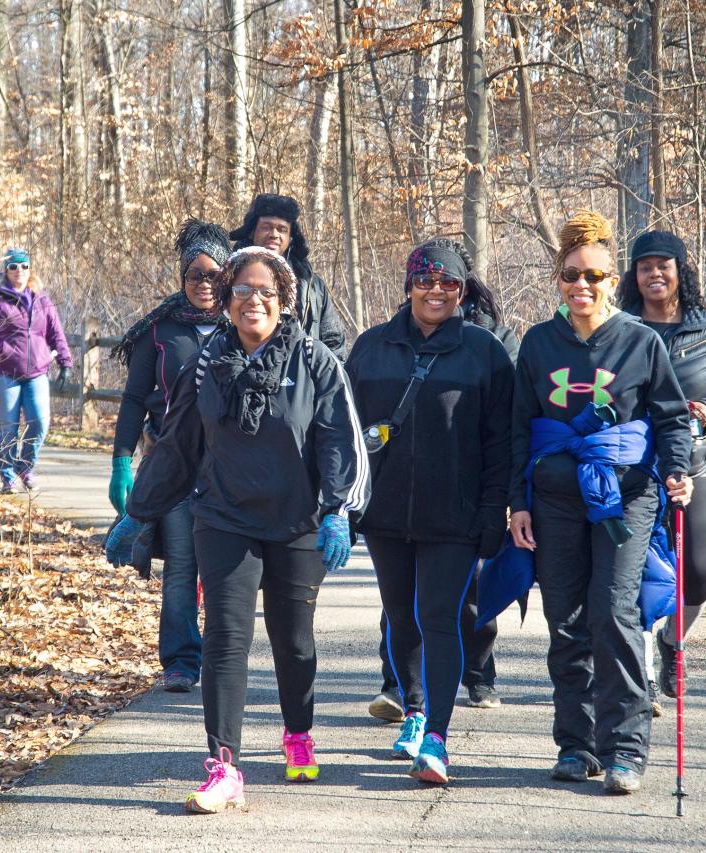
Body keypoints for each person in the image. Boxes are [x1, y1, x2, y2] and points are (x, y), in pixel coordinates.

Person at [105, 246, 368, 813]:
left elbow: (340, 440)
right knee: (225, 638)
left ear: (284, 301)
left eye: (266, 292)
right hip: (223, 518)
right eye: (242, 291)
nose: (254, 301)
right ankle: (225, 767)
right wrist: (141, 510)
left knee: (293, 642)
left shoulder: (317, 362)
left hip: (297, 522)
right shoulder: (208, 363)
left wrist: (339, 509)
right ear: (226, 300)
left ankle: (297, 733)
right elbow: (178, 443)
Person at [508, 211, 692, 795]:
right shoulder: (538, 343)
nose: (581, 286)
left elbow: (669, 419)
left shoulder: (640, 341)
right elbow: (518, 427)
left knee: (614, 614)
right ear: (558, 279)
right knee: (565, 619)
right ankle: (576, 743)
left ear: (614, 280)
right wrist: (518, 502)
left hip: (625, 497)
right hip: (555, 499)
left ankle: (626, 749)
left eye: (594, 276)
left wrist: (678, 472)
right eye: (570, 275)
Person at [346, 238, 513, 784]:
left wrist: (495, 512)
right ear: (408, 284)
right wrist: (344, 504)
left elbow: (500, 443)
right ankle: (413, 712)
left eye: (448, 283)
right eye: (425, 279)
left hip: (455, 517)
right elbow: (345, 437)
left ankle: (437, 738)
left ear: (463, 291)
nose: (436, 290)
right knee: (400, 616)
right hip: (386, 513)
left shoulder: (485, 352)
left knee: (439, 616)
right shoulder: (371, 349)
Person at [619, 230, 706, 701]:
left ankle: (672, 640)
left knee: (696, 570)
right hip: (636, 469)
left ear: (680, 271)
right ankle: (643, 674)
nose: (654, 273)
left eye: (663, 265)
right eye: (644, 266)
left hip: (693, 466)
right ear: (633, 276)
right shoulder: (622, 327)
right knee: (634, 573)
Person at [108, 219, 232, 693]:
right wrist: (122, 463)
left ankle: (224, 657)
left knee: (223, 568)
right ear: (182, 278)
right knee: (181, 565)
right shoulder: (157, 331)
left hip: (228, 469)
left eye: (213, 274)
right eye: (194, 274)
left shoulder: (244, 323)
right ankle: (180, 660)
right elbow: (134, 398)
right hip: (174, 465)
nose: (204, 284)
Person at [0, 248, 73, 493]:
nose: (19, 271)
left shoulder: (41, 299)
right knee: (9, 427)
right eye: (14, 267)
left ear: (30, 269)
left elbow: (55, 332)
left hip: (36, 370)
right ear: (6, 269)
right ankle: (8, 477)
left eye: (24, 266)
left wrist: (65, 363)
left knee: (39, 422)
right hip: (4, 372)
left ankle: (25, 467)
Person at [228, 193, 347, 359]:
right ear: (251, 231)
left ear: (291, 238)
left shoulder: (311, 284)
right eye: (266, 227)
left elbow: (333, 340)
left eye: (282, 229)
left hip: (301, 376)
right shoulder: (229, 276)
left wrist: (322, 377)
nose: (274, 234)